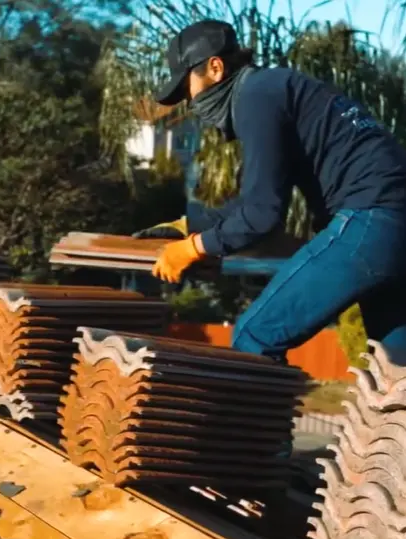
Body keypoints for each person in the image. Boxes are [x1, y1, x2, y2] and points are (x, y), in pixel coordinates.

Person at [135, 19, 406, 364]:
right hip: (392, 223)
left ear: (215, 68)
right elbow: (257, 201)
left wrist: (193, 248)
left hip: (371, 220)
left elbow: (263, 214)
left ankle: (258, 420)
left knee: (254, 336)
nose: (191, 103)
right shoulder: (277, 87)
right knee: (395, 368)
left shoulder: (255, 97)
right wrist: (191, 224)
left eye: (187, 89)